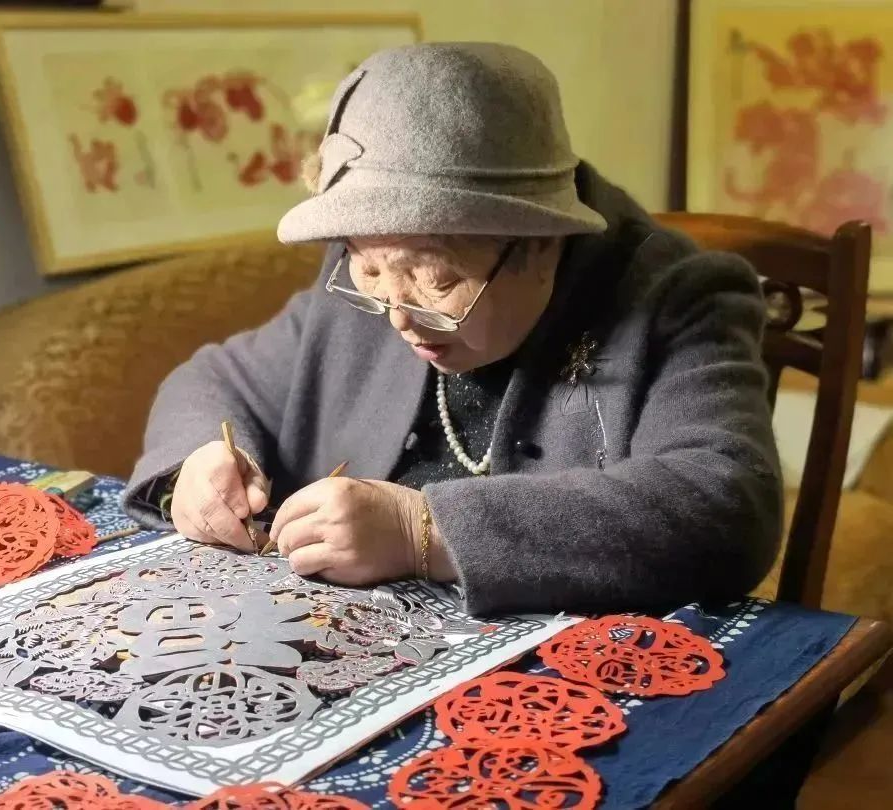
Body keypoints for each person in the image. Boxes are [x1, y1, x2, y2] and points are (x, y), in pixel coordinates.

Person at [123, 42, 781, 616]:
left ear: (541, 243)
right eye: (370, 270)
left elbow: (726, 504)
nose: (398, 316)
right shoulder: (374, 265)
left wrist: (426, 530)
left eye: (438, 281)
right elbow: (212, 379)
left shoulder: (682, 295)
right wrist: (200, 464)